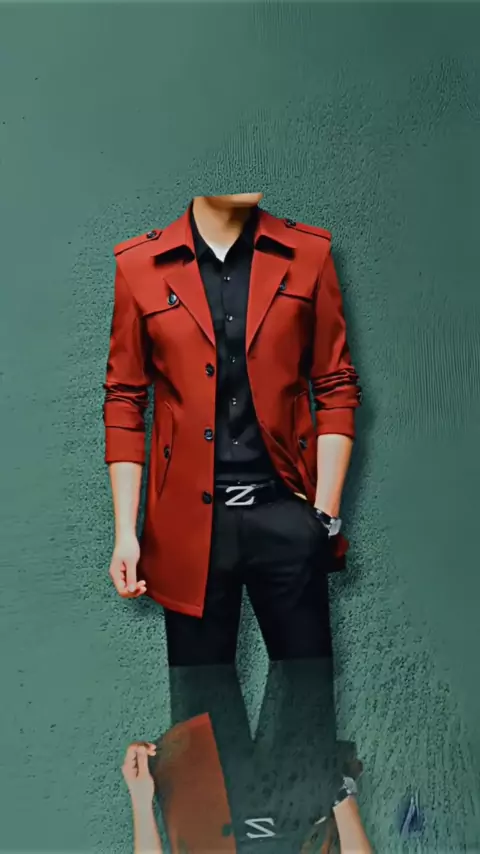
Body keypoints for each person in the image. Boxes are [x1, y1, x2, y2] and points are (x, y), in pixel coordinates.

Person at [104, 193, 362, 666]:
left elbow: (336, 385)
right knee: (200, 707)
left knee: (307, 700)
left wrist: (323, 517)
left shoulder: (310, 254)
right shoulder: (139, 264)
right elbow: (124, 399)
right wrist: (126, 532)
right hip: (187, 531)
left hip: (288, 516)